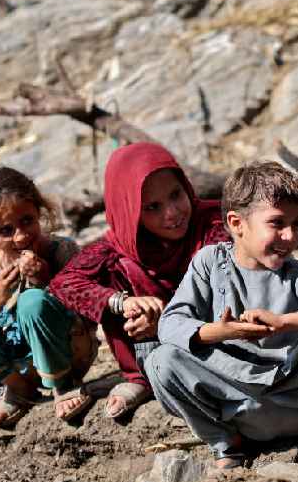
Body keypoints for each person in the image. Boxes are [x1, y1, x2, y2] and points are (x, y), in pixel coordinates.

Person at [145, 161, 298, 482]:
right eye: (277, 223)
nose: (290, 236)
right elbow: (169, 324)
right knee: (161, 360)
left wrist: (286, 322)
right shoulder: (210, 264)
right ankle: (227, 445)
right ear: (237, 224)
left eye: (296, 224)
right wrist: (219, 332)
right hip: (238, 404)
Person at [49, 143, 229, 419]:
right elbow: (63, 284)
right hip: (151, 342)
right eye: (153, 207)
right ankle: (139, 376)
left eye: (176, 195)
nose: (172, 213)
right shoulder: (116, 246)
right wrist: (123, 303)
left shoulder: (215, 224)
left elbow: (228, 293)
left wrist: (166, 322)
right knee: (115, 271)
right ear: (130, 211)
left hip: (217, 337)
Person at [0, 167, 98, 428]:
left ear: (39, 211)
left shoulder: (61, 250)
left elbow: (87, 310)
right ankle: (17, 389)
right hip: (17, 362)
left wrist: (45, 280)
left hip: (68, 353)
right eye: (6, 230)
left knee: (32, 301)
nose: (20, 236)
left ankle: (63, 385)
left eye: (27, 221)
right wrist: (0, 293)